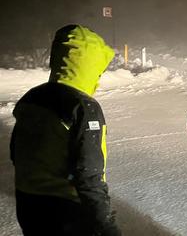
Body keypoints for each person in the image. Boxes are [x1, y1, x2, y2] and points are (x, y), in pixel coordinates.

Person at [10, 24, 121, 236]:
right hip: (67, 213)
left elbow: (16, 152)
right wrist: (106, 226)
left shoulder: (32, 97)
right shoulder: (83, 107)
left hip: (28, 205)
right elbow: (88, 175)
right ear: (90, 65)